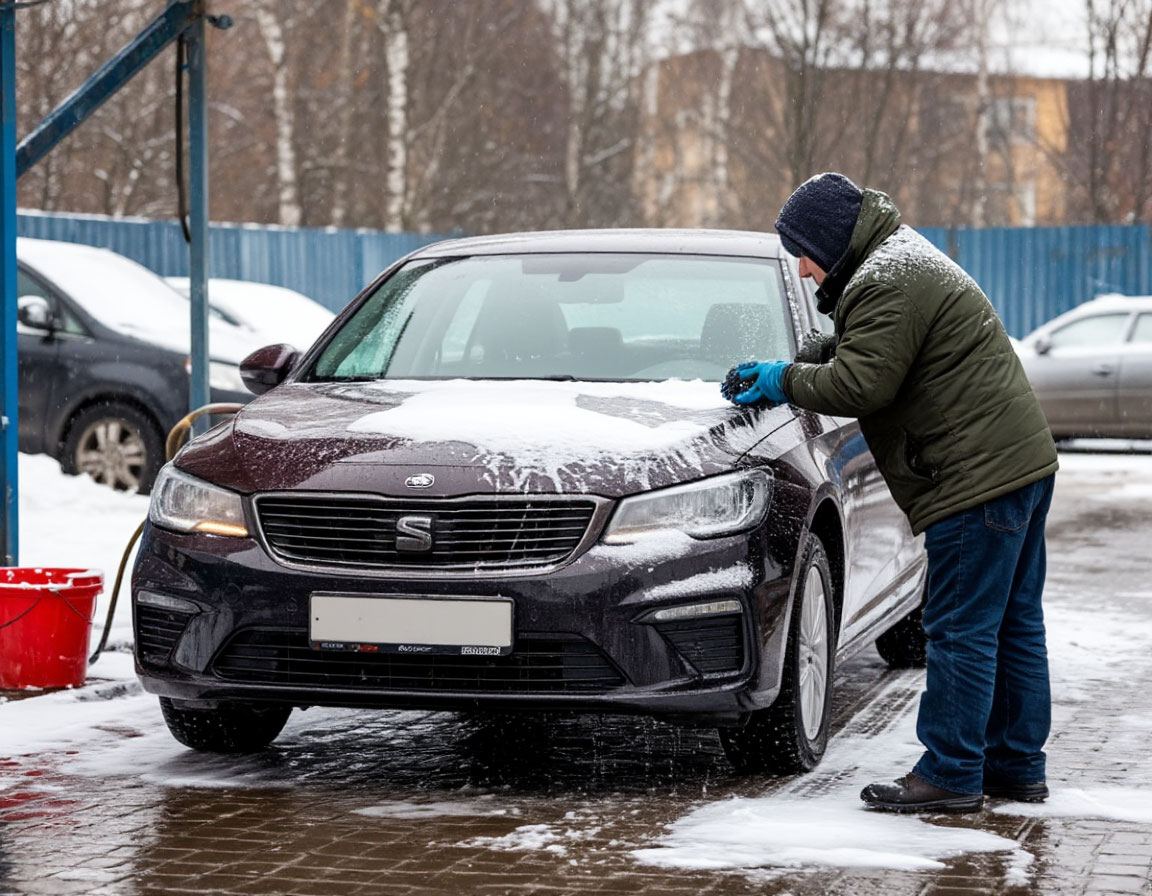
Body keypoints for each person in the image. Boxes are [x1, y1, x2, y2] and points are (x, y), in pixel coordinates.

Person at [726, 172, 1059, 813]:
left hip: (974, 479)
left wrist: (782, 377)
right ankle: (1017, 767)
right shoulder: (900, 260)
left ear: (829, 241)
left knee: (959, 629)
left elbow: (860, 385)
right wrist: (816, 353)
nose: (800, 270)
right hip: (1018, 465)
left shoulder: (887, 279)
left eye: (803, 251)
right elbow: (880, 350)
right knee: (1013, 625)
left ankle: (952, 774)